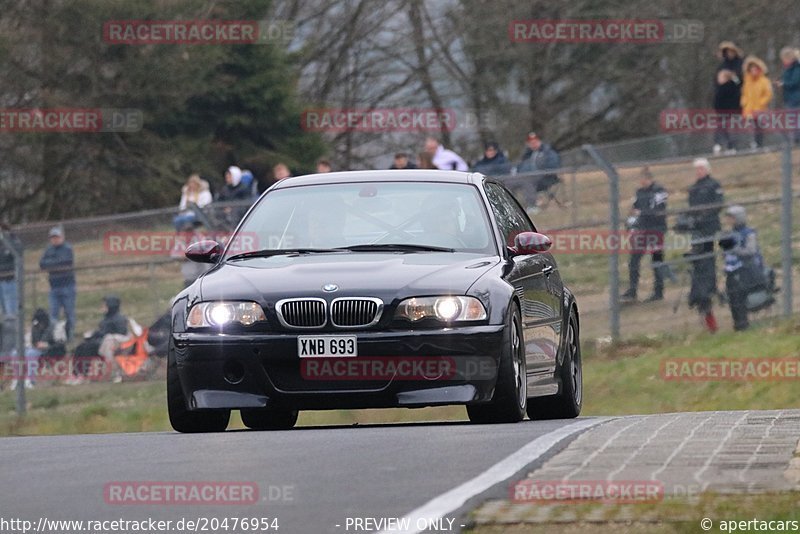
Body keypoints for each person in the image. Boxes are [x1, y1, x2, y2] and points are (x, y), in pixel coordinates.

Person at [684, 158, 724, 333]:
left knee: (709, 255)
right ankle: (703, 288)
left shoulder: (714, 184)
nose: (699, 171)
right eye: (697, 169)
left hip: (710, 226)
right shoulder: (694, 188)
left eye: (701, 169)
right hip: (697, 228)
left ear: (707, 169)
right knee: (699, 257)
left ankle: (711, 285)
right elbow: (690, 206)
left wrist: (705, 215)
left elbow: (718, 204)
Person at [621, 167, 669, 302]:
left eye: (643, 179)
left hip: (656, 229)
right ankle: (632, 291)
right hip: (642, 230)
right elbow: (634, 208)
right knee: (634, 260)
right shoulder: (639, 192)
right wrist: (631, 221)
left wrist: (641, 213)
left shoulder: (659, 191)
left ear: (649, 179)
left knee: (657, 260)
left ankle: (659, 291)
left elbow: (658, 210)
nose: (641, 182)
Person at [719, 206, 764, 331]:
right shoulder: (730, 233)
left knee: (740, 298)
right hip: (731, 270)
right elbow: (725, 252)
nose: (728, 220)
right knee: (732, 297)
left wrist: (734, 249)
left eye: (731, 218)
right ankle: (737, 323)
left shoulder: (748, 233)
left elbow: (751, 251)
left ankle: (743, 324)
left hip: (744, 269)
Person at [70, 295, 129, 384]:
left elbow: (120, 334)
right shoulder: (106, 318)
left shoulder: (119, 319)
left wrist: (97, 334)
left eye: (105, 305)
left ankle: (82, 375)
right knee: (80, 347)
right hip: (101, 341)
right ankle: (76, 374)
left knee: (87, 348)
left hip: (111, 345)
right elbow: (102, 331)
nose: (103, 307)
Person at [39, 226, 76, 340]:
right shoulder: (48, 249)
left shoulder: (67, 248)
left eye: (57, 237)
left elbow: (65, 262)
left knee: (69, 312)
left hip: (67, 286)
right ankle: (54, 336)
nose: (55, 239)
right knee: (53, 314)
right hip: (54, 287)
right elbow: (42, 264)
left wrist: (52, 263)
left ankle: (70, 335)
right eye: (53, 237)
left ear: (62, 237)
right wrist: (55, 263)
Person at [516, 132, 561, 210]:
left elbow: (553, 166)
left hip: (545, 178)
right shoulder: (527, 155)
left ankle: (532, 206)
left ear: (540, 141)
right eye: (531, 142)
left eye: (535, 142)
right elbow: (520, 167)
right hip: (527, 177)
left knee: (526, 181)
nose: (533, 144)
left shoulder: (548, 152)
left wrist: (542, 172)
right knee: (509, 181)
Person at [740, 56, 773, 149]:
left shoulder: (764, 81)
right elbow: (744, 93)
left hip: (760, 109)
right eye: (752, 69)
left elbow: (768, 94)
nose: (754, 71)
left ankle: (759, 144)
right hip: (749, 109)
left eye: (755, 69)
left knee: (759, 127)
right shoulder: (747, 81)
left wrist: (762, 102)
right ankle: (752, 143)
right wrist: (744, 102)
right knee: (751, 127)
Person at [713, 70, 741, 154]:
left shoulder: (727, 87)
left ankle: (729, 146)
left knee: (726, 130)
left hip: (726, 112)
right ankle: (724, 145)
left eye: (720, 77)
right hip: (723, 113)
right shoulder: (722, 87)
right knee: (723, 130)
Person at [777, 47, 800, 144]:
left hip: (796, 98)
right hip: (789, 99)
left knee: (795, 120)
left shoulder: (797, 68)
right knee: (792, 120)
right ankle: (795, 140)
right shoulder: (787, 69)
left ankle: (796, 140)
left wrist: (783, 84)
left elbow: (795, 82)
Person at [0, 222, 21, 318]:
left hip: (9, 280)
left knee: (11, 311)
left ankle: (13, 331)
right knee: (4, 311)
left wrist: (9, 237)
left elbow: (18, 253)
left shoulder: (13, 240)